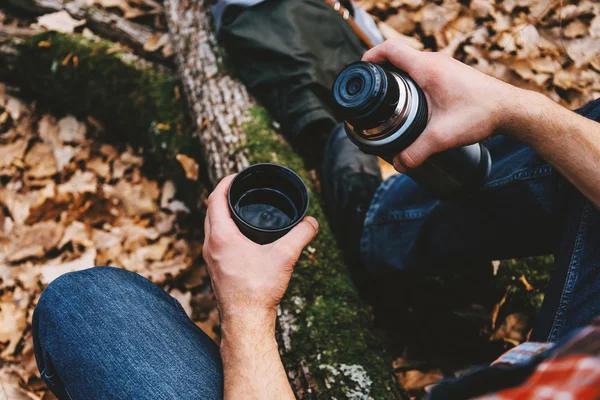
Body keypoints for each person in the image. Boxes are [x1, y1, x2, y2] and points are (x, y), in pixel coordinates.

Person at [33, 40, 600, 399]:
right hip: (555, 362)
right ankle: (378, 228)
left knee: (86, 307)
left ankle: (380, 230)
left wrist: (248, 312)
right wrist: (515, 107)